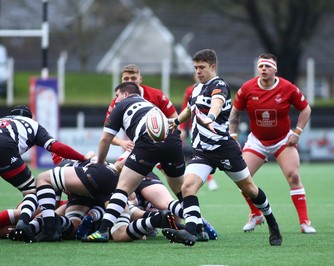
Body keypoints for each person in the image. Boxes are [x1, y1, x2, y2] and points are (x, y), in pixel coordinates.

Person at [162, 49, 282, 246]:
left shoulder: (220, 85)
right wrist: (175, 121)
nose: (198, 71)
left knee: (250, 189)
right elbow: (190, 109)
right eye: (195, 68)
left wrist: (210, 117)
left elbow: (216, 103)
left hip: (224, 149)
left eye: (202, 67)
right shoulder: (196, 88)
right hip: (202, 152)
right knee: (188, 187)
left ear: (213, 67)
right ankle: (191, 232)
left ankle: (271, 221)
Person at [82, 82, 186, 242]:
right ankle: (197, 226)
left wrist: (100, 163)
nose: (115, 100)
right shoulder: (150, 104)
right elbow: (173, 121)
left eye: (116, 96)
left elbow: (105, 139)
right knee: (181, 193)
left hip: (146, 143)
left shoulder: (122, 104)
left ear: (125, 94)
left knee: (122, 189)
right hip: (173, 141)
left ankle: (102, 231)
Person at [228, 53, 316, 234]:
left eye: (267, 66)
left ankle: (304, 222)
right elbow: (235, 112)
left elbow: (305, 109)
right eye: (261, 66)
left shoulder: (287, 87)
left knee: (293, 176)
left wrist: (297, 133)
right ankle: (255, 213)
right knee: (241, 178)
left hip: (283, 139)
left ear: (275, 69)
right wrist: (233, 137)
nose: (263, 69)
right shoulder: (247, 88)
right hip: (258, 141)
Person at [0, 105, 89, 242]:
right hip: (5, 149)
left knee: (27, 209)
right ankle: (24, 223)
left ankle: (23, 223)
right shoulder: (32, 124)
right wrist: (82, 158)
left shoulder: (4, 120)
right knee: (31, 193)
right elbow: (57, 147)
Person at [180, 77, 218, 191]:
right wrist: (181, 127)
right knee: (202, 154)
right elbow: (186, 109)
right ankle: (209, 180)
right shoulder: (190, 90)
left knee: (214, 153)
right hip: (196, 129)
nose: (199, 73)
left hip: (214, 129)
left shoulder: (216, 88)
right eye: (196, 70)